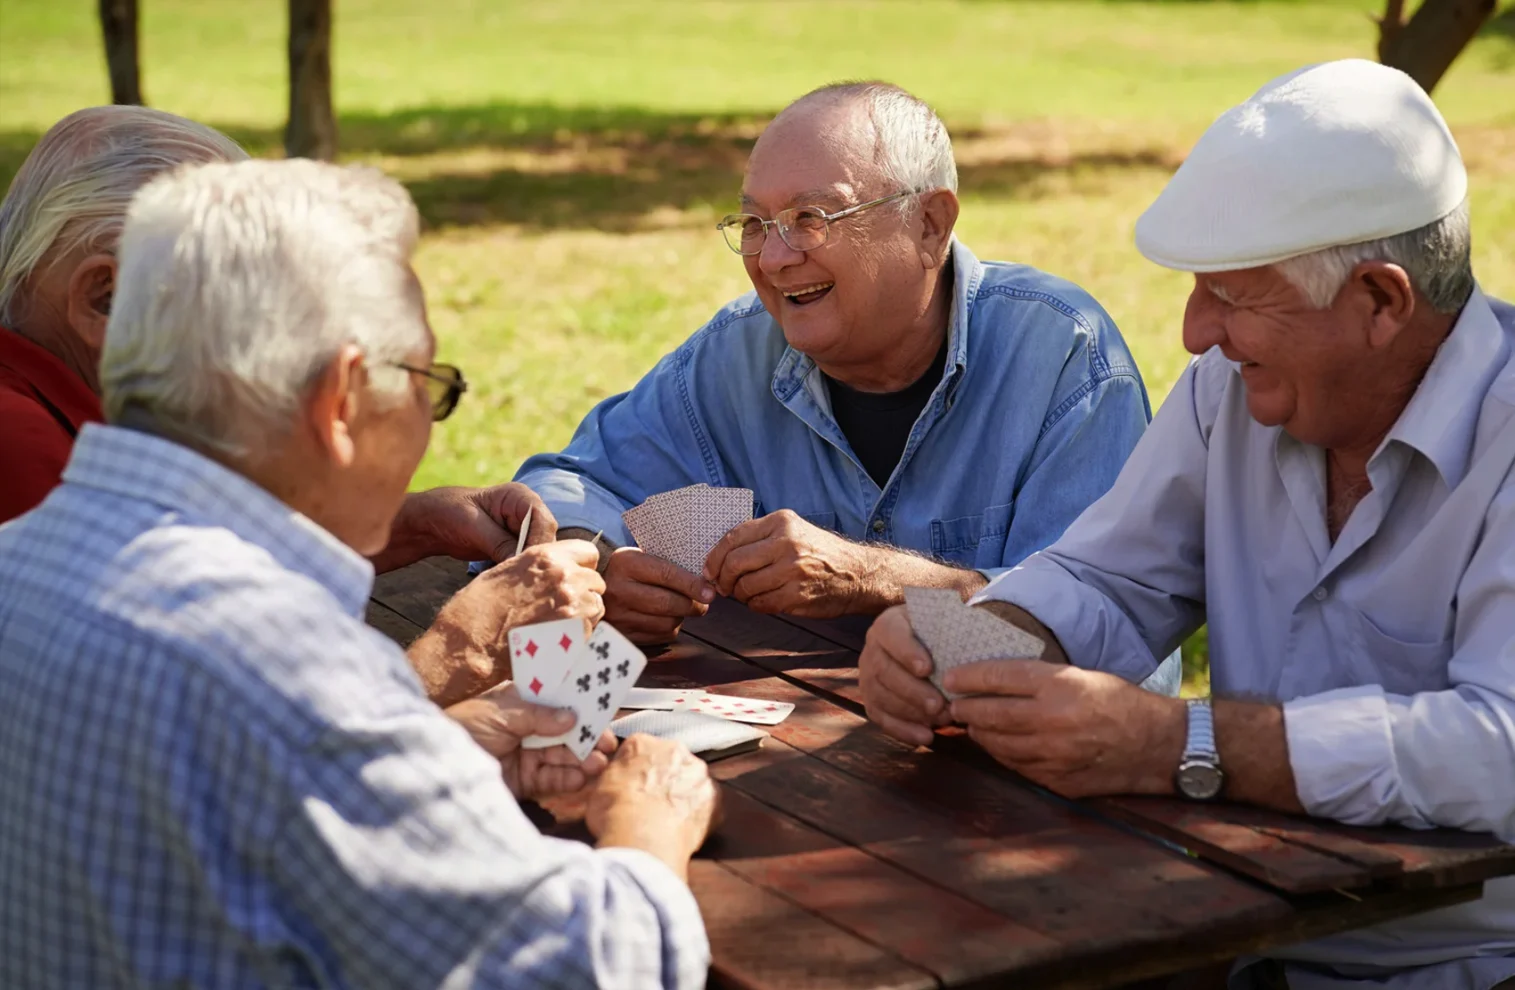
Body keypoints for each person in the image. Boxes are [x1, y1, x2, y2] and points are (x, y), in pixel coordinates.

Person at [858, 60, 1514, 989]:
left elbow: (1501, 751)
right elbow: (1109, 578)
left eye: (1236, 297)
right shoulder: (1231, 394)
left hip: (1467, 962)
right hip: (1229, 931)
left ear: (1379, 302)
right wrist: (965, 638)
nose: (1194, 332)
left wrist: (1184, 744)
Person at [0, 159, 717, 989]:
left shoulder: (23, 557)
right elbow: (589, 966)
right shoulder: (289, 665)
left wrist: (444, 747)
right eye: (427, 385)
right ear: (342, 399)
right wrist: (649, 818)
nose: (426, 425)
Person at [515, 82, 1169, 678]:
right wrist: (594, 564)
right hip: (805, 769)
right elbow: (575, 483)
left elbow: (1098, 628)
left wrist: (879, 580)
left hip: (1026, 780)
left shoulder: (1059, 352)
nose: (772, 257)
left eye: (812, 218)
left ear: (930, 224)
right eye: (754, 224)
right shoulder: (738, 352)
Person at [0, 108, 564, 645]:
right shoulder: (25, 448)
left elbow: (219, 555)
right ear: (106, 298)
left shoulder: (81, 417)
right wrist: (466, 646)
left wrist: (410, 525)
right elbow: (224, 693)